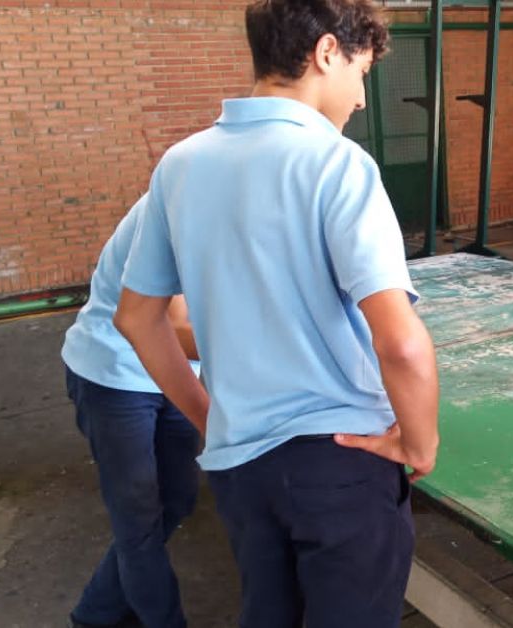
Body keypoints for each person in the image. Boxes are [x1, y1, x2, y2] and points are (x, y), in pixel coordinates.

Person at [113, 1, 440, 626]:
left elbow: (137, 318)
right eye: (362, 74)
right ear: (326, 53)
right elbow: (401, 344)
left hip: (241, 468)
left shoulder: (180, 164)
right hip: (341, 462)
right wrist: (419, 442)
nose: (361, 99)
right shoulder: (338, 164)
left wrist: (208, 416)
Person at [62, 195, 201, 628]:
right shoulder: (183, 205)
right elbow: (171, 329)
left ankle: (96, 612)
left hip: (177, 373)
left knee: (177, 497)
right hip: (115, 374)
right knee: (138, 517)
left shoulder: (256, 204)